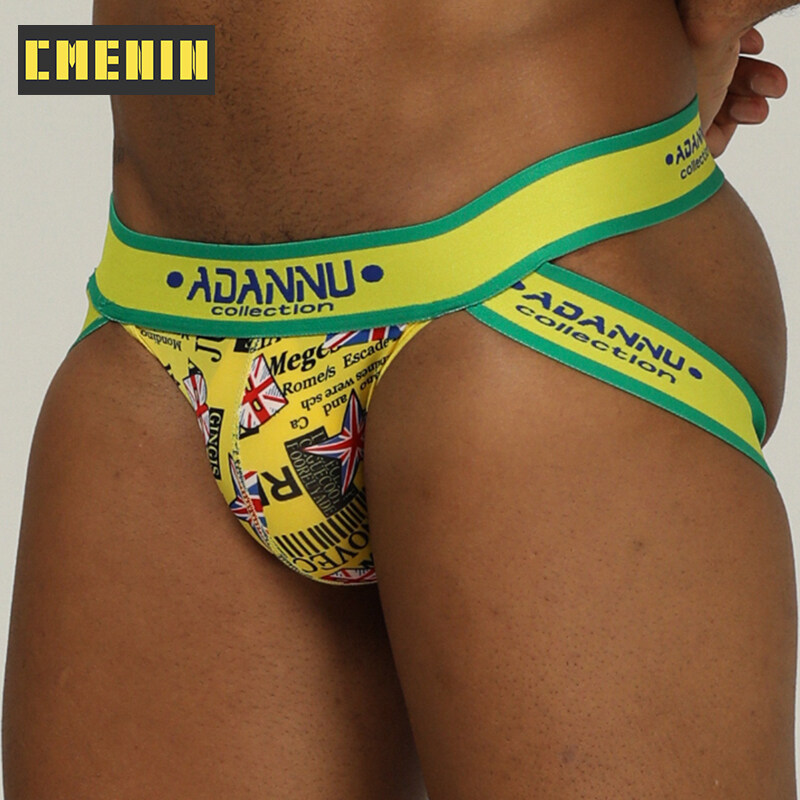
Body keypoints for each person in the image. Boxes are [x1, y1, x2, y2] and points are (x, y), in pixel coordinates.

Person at [3, 0, 797, 797]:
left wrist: (705, 19)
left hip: (526, 273)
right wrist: (201, 66)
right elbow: (78, 53)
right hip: (159, 322)